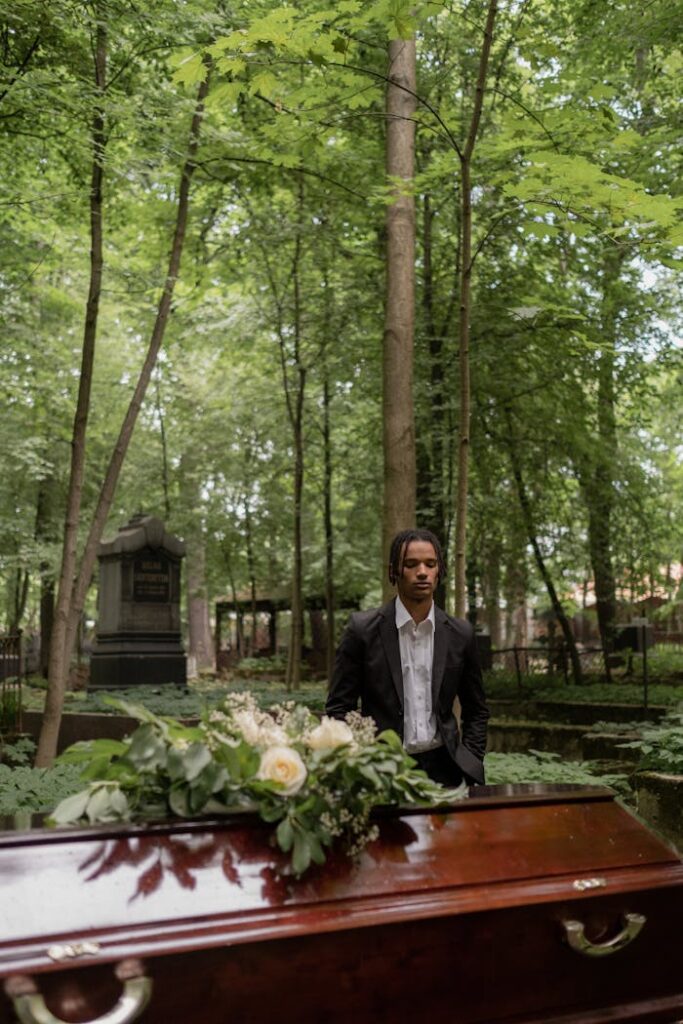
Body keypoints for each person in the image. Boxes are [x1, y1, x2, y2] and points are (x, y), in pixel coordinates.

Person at [326, 528, 489, 787]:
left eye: (430, 564)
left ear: (439, 571)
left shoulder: (461, 634)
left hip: (446, 770)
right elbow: (338, 709)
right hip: (382, 769)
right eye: (411, 564)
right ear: (394, 571)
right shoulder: (362, 630)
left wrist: (470, 758)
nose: (422, 572)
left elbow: (477, 709)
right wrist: (360, 762)